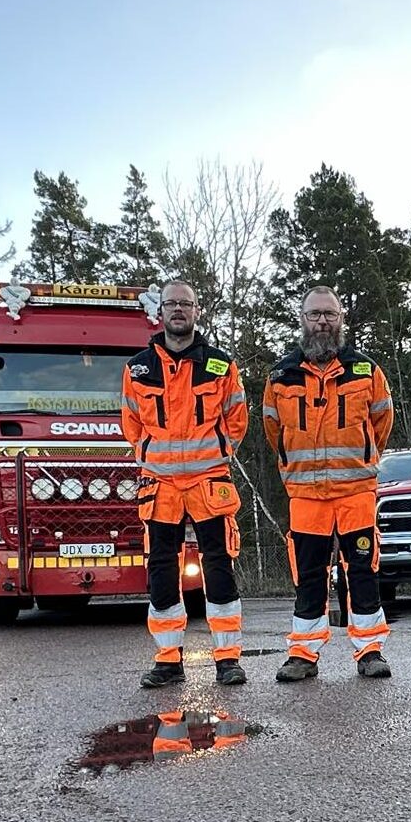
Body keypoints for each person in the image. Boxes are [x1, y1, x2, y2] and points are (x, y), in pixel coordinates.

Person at [262, 286, 395, 682]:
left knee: (363, 572)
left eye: (330, 314)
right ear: (302, 319)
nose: (322, 321)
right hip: (305, 494)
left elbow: (381, 424)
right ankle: (303, 654)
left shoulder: (366, 371)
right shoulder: (280, 376)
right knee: (308, 575)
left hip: (356, 491)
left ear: (341, 319)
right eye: (315, 314)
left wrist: (359, 460)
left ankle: (370, 651)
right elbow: (273, 430)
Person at [121, 280, 250, 688]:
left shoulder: (220, 365)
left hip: (209, 482)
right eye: (171, 303)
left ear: (197, 311)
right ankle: (168, 660)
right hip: (160, 485)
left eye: (186, 304)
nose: (178, 309)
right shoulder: (138, 368)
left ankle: (227, 658)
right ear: (160, 311)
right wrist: (148, 452)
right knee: (161, 570)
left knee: (218, 566)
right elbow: (130, 422)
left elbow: (237, 419)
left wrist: (219, 449)